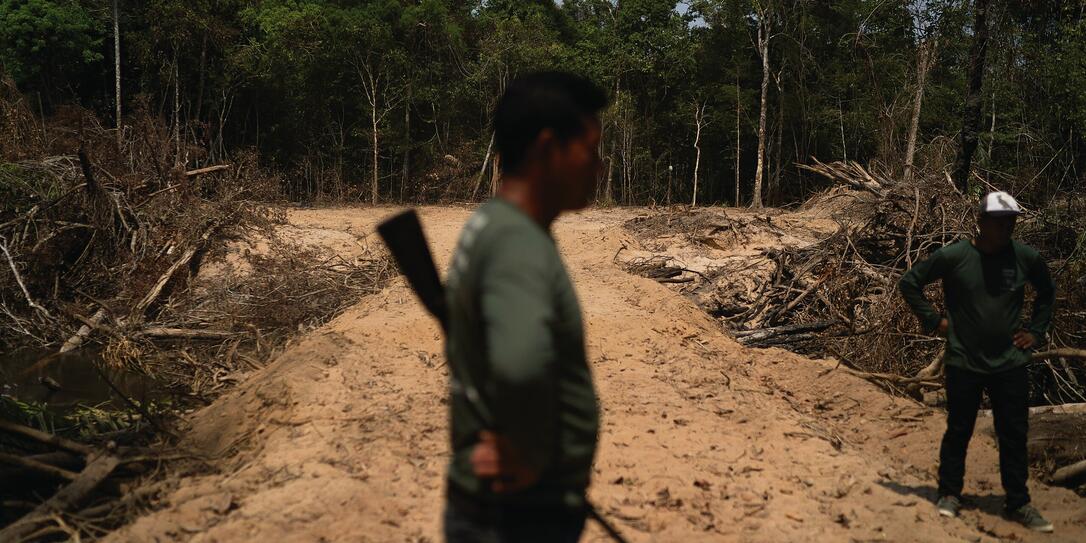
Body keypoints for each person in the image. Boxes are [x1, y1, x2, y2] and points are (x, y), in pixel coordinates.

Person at [442, 71, 607, 543]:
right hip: (517, 516)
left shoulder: (494, 224)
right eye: (590, 151)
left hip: (500, 507)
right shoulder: (517, 242)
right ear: (547, 148)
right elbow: (520, 362)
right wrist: (534, 453)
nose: (597, 169)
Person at [899, 191, 1056, 532]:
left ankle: (1019, 503)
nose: (1005, 229)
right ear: (981, 221)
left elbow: (1047, 293)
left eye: (1011, 222)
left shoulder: (1025, 257)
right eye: (999, 223)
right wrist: (935, 321)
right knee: (959, 430)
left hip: (1010, 363)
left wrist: (1036, 332)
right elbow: (910, 282)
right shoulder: (956, 256)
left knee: (1014, 433)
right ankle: (950, 494)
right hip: (964, 361)